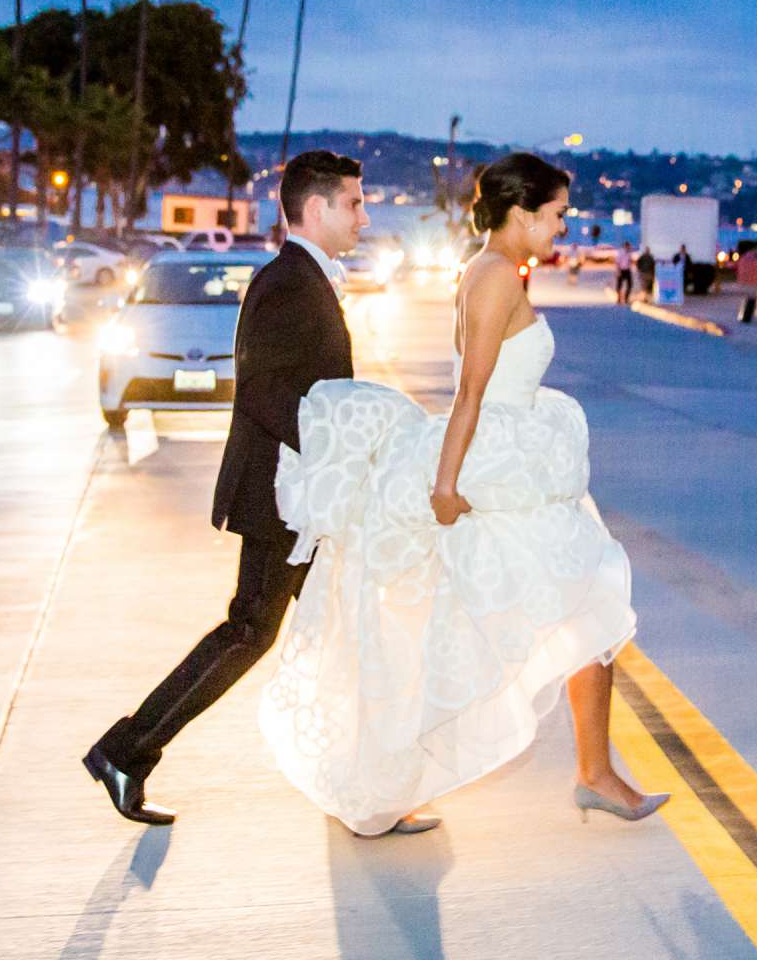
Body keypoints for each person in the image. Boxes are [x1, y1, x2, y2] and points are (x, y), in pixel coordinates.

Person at [258, 153, 665, 835]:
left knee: (579, 603)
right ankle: (407, 781)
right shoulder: (495, 276)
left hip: (515, 461)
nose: (564, 227)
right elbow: (471, 392)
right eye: (559, 215)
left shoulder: (492, 268)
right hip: (492, 466)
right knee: (494, 623)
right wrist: (445, 486)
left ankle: (595, 773)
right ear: (523, 212)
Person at [83, 150, 366, 826]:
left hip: (298, 489)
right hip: (283, 495)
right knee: (253, 631)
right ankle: (127, 749)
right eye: (355, 202)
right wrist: (344, 446)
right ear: (318, 208)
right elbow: (268, 392)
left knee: (339, 626)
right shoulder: (290, 282)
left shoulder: (302, 277)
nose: (364, 215)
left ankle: (361, 785)